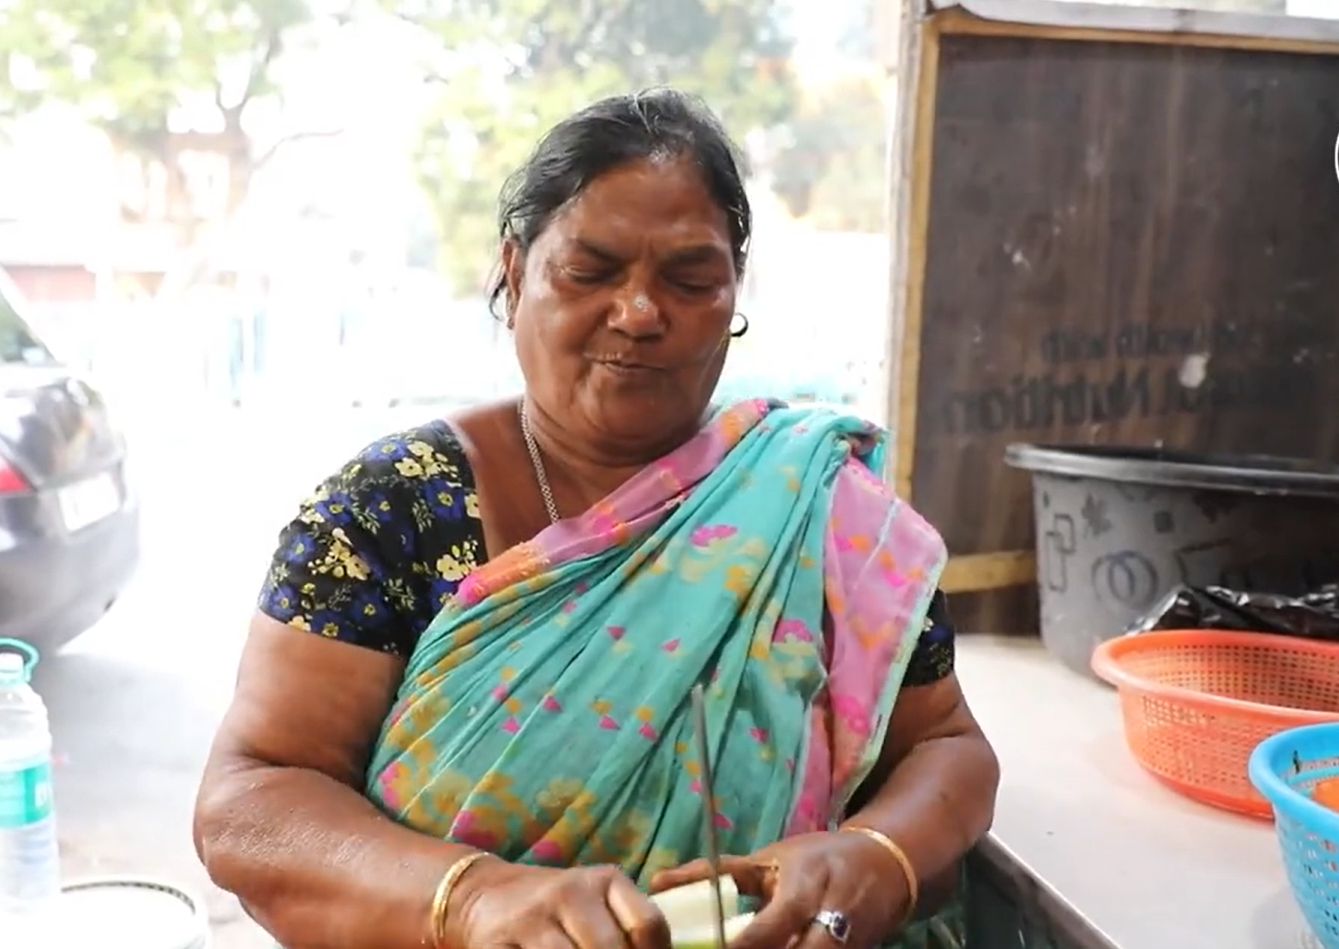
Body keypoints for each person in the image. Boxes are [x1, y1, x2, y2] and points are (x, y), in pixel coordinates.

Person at [193, 88, 999, 949]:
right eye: (590, 271)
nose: (639, 313)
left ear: (733, 298)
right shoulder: (394, 509)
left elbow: (946, 747)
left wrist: (878, 854)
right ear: (512, 270)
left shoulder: (819, 505)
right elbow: (252, 799)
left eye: (690, 280)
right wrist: (471, 900)